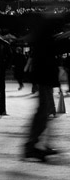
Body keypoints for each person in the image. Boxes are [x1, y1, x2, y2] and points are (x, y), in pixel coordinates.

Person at [24, 16, 61, 161]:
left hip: (44, 79)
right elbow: (45, 61)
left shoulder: (44, 38)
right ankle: (32, 146)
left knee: (44, 111)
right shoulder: (45, 39)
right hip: (44, 79)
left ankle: (36, 145)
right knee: (43, 112)